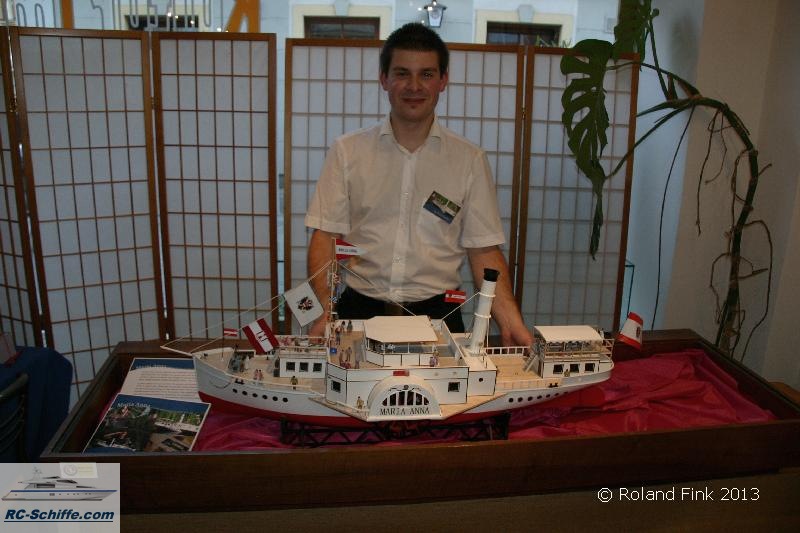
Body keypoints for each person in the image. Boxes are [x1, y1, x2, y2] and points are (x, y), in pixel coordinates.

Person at [305, 22, 531, 347]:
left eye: (426, 74)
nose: (414, 86)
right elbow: (326, 235)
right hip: (358, 312)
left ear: (443, 80)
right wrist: (325, 310)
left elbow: (483, 249)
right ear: (384, 79)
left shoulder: (469, 159)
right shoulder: (347, 151)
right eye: (402, 73)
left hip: (440, 315)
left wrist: (510, 322)